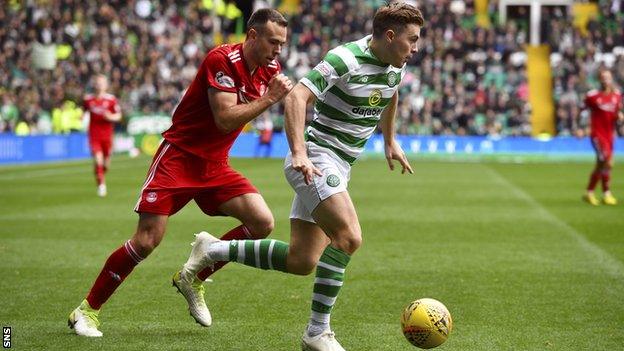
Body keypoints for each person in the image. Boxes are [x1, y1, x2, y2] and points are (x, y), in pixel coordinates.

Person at [178, 3, 423, 350]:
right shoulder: (345, 59)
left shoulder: (395, 66)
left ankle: (213, 249)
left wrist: (390, 139)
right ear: (390, 35)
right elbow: (296, 96)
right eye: (412, 40)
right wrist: (299, 153)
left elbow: (390, 92)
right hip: (318, 159)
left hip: (341, 166)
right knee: (349, 237)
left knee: (301, 260)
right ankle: (317, 332)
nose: (416, 48)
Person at [68, 8, 292, 337]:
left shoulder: (271, 68)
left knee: (262, 222)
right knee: (147, 241)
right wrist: (271, 98)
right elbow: (225, 119)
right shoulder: (222, 60)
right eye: (273, 41)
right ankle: (86, 311)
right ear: (253, 35)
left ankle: (193, 276)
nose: (278, 50)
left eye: (283, 44)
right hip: (179, 159)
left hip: (215, 165)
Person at [582, 69, 623, 206]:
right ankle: (606, 193)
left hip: (609, 135)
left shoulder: (617, 96)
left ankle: (591, 193)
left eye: (608, 77)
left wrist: (619, 117)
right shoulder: (593, 96)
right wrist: (581, 128)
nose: (606, 80)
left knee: (602, 165)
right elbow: (582, 110)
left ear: (611, 79)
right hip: (597, 135)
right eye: (603, 77)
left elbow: (616, 113)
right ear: (599, 80)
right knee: (608, 162)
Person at [82, 75, 122, 197]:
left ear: (106, 85)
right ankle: (101, 185)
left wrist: (111, 117)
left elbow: (119, 116)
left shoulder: (111, 100)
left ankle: (100, 174)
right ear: (94, 85)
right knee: (98, 160)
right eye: (97, 83)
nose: (99, 85)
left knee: (106, 165)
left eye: (101, 83)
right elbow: (83, 112)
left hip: (107, 136)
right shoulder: (88, 100)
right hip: (94, 135)